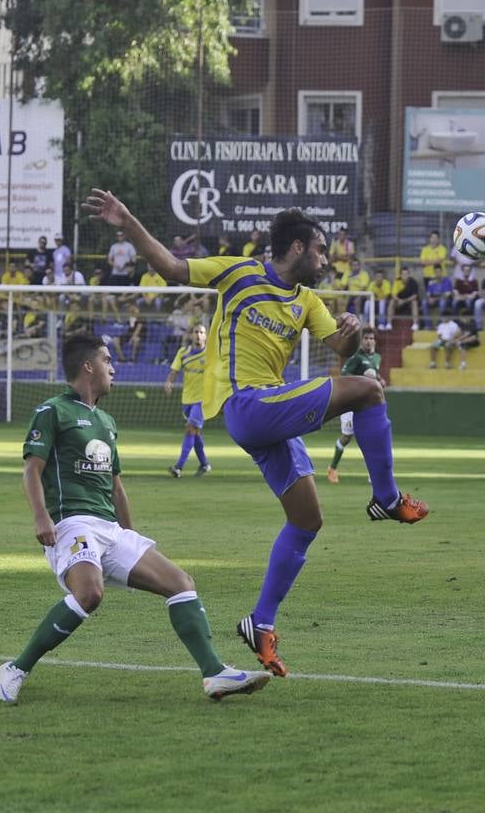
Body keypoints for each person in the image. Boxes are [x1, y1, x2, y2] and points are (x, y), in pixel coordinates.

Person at [83, 188, 429, 678]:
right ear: (295, 249)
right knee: (370, 391)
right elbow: (172, 269)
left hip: (270, 413)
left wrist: (350, 331)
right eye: (320, 250)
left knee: (307, 520)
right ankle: (387, 498)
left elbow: (340, 346)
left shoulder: (307, 301)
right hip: (247, 404)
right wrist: (127, 219)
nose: (326, 260)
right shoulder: (240, 272)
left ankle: (259, 623)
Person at [0, 332, 271, 705]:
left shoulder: (107, 421)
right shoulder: (52, 411)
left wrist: (129, 535)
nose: (114, 368)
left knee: (180, 582)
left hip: (109, 528)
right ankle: (16, 668)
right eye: (107, 361)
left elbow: (116, 486)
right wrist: (41, 518)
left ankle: (214, 674)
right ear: (88, 366)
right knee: (89, 594)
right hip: (71, 523)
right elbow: (32, 470)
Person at [327, 327, 383, 484]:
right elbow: (345, 375)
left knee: (369, 437)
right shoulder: (356, 357)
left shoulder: (377, 357)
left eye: (372, 338)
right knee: (346, 438)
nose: (369, 341)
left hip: (366, 405)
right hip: (350, 403)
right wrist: (362, 379)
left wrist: (380, 380)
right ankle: (332, 468)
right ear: (361, 340)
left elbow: (375, 375)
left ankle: (374, 474)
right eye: (366, 338)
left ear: (375, 341)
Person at [164, 323, 212, 479]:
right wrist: (169, 381)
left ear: (206, 336)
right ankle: (205, 464)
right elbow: (174, 371)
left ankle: (178, 467)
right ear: (191, 335)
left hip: (203, 399)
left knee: (190, 428)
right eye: (196, 332)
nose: (198, 335)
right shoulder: (183, 353)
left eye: (201, 332)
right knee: (195, 433)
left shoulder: (211, 354)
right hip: (187, 399)